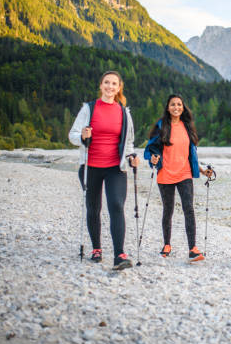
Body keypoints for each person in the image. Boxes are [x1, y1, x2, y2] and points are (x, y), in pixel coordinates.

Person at [69, 70, 138, 271]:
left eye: (114, 83)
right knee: (93, 208)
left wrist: (132, 157)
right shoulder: (88, 109)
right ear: (101, 86)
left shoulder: (124, 112)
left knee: (116, 205)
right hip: (90, 166)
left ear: (119, 88)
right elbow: (72, 135)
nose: (110, 87)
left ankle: (119, 254)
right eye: (106, 83)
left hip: (116, 167)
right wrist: (82, 135)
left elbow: (129, 142)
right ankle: (97, 249)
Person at [144, 94, 212, 263]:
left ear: (183, 107)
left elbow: (192, 153)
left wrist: (203, 171)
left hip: (184, 174)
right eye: (173, 104)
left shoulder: (187, 126)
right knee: (168, 210)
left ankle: (193, 249)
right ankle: (167, 245)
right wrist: (153, 158)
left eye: (179, 104)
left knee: (189, 208)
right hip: (165, 173)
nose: (176, 107)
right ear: (168, 108)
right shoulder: (161, 126)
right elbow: (151, 148)